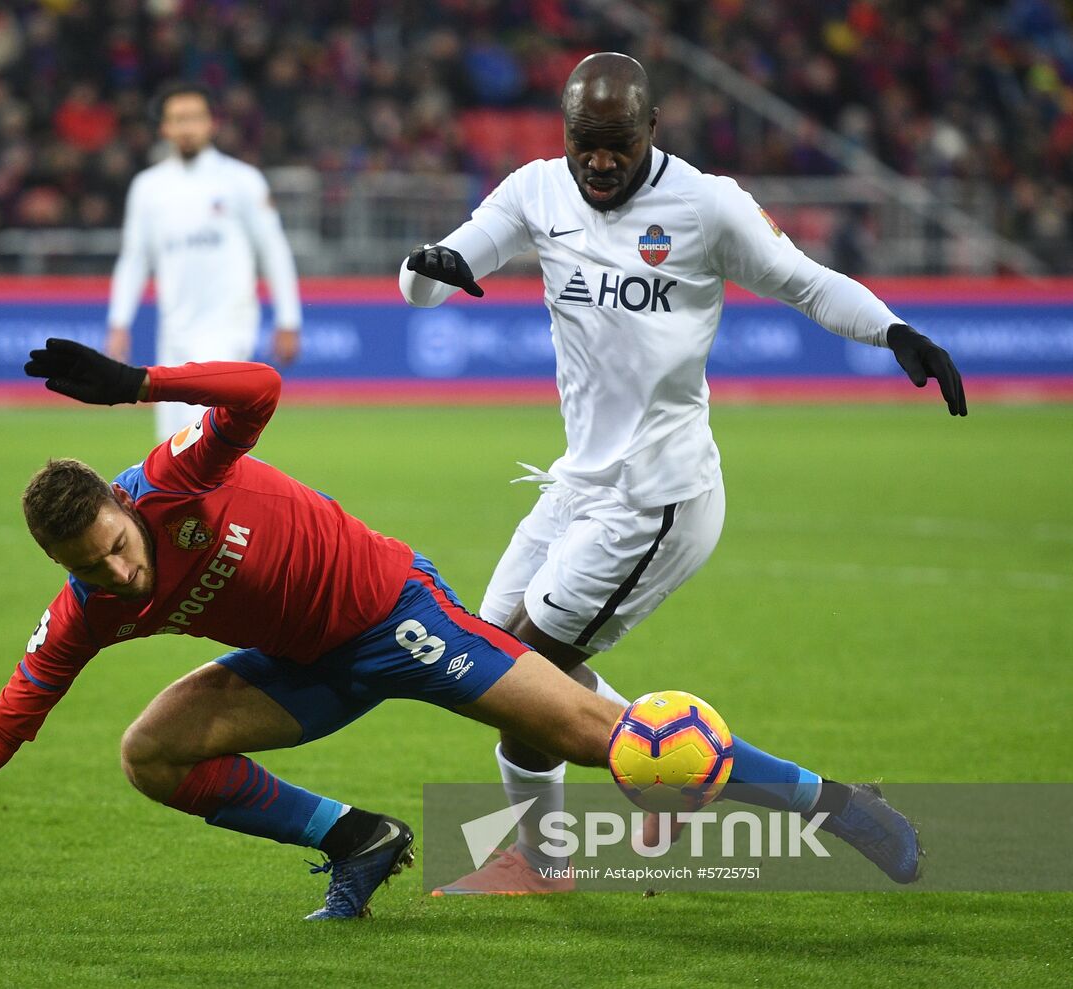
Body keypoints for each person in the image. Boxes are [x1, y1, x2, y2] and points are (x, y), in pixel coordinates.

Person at [0, 340, 921, 919]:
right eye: (94, 567)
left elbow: (259, 389)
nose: (121, 571)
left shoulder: (175, 477)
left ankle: (838, 807)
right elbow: (7, 717)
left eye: (119, 544)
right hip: (299, 666)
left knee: (607, 737)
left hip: (393, 614)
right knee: (149, 751)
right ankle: (355, 839)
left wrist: (138, 378)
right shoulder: (90, 607)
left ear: (126, 505)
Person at [400, 52, 964, 895]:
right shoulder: (535, 191)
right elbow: (431, 278)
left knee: (516, 681)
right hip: (579, 483)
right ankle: (660, 768)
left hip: (655, 498)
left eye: (617, 145)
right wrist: (429, 270)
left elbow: (806, 284)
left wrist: (896, 333)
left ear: (652, 130)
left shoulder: (705, 205)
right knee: (490, 661)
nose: (598, 161)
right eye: (584, 143)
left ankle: (593, 848)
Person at [105, 81, 302, 441]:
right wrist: (119, 322)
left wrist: (288, 319)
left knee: (209, 440)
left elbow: (273, 250)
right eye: (177, 119)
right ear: (164, 128)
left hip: (227, 328)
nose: (187, 127)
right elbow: (134, 258)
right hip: (174, 331)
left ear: (212, 123)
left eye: (194, 117)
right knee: (171, 445)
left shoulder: (241, 181)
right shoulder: (148, 187)